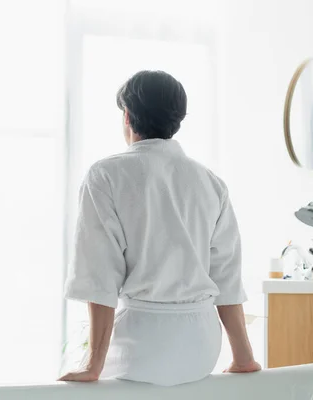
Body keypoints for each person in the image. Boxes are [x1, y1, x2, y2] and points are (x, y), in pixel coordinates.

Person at [59, 70, 260, 386]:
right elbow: (226, 276)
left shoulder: (105, 175)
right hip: (202, 348)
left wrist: (92, 364)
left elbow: (99, 273)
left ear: (127, 116)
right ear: (177, 120)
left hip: (140, 347)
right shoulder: (211, 183)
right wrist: (243, 357)